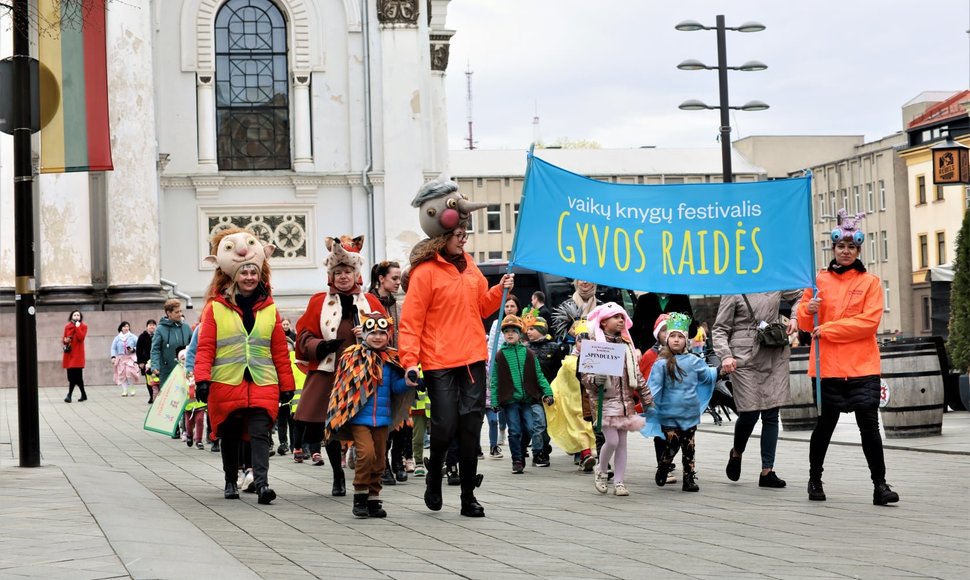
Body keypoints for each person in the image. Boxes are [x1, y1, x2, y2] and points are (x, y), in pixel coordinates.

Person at [399, 177, 509, 518]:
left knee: (470, 427)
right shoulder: (425, 273)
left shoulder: (470, 265)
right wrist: (410, 361)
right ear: (442, 237)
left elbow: (482, 308)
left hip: (473, 357)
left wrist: (500, 289)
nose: (464, 238)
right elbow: (412, 321)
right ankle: (434, 475)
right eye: (459, 234)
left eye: (465, 234)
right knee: (445, 425)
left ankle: (466, 496)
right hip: (439, 360)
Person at [796, 210, 899, 506]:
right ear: (833, 248)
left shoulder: (870, 282)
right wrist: (808, 310)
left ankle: (880, 485)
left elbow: (868, 323)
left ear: (858, 250)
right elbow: (805, 326)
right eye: (841, 247)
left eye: (851, 247)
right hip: (827, 367)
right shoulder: (816, 281)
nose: (845, 252)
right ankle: (815, 479)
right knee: (824, 425)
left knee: (869, 425)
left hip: (862, 366)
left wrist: (827, 328)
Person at [192, 227, 295, 505]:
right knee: (230, 434)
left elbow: (279, 351)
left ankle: (262, 485)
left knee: (261, 434)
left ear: (259, 276)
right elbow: (206, 347)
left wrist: (287, 385)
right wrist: (202, 379)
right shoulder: (215, 308)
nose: (249, 278)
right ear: (234, 276)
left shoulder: (270, 308)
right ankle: (229, 481)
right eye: (244, 273)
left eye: (253, 273)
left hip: (263, 381)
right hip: (227, 382)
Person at [295, 239, 386, 496]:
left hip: (363, 373)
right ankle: (338, 474)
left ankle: (367, 472)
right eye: (338, 272)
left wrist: (370, 334)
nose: (343, 276)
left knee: (364, 424)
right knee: (330, 425)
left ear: (355, 275)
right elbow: (303, 335)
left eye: (347, 272)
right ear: (331, 276)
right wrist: (319, 345)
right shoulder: (318, 302)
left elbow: (387, 332)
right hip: (330, 372)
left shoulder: (369, 301)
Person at [326, 311, 413, 518]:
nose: (377, 337)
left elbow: (394, 388)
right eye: (372, 332)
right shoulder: (352, 356)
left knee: (380, 460)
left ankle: (374, 498)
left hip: (382, 419)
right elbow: (343, 388)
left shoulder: (390, 360)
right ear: (364, 334)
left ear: (388, 336)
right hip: (359, 418)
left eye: (382, 333)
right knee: (366, 454)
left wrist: (407, 383)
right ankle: (360, 495)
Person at [712, 291, 802, 488]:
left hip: (772, 349)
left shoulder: (774, 281)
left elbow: (802, 296)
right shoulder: (733, 288)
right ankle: (736, 452)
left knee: (771, 412)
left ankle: (767, 471)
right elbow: (719, 329)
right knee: (750, 412)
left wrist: (795, 317)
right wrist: (725, 355)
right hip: (743, 357)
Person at [582, 303, 652, 497]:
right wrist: (596, 380)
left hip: (625, 402)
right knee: (611, 440)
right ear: (603, 322)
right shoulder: (595, 345)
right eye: (616, 317)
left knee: (622, 442)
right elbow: (586, 379)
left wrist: (647, 400)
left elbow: (637, 376)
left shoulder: (627, 345)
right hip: (605, 401)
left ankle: (619, 481)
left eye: (623, 317)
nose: (621, 320)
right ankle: (602, 470)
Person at [648, 313, 719, 493]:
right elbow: (654, 387)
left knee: (689, 447)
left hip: (689, 413)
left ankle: (689, 478)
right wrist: (650, 405)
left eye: (680, 336)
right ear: (667, 339)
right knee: (672, 444)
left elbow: (706, 376)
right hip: (669, 414)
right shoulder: (661, 363)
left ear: (686, 340)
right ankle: (664, 464)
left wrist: (720, 371)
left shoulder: (695, 361)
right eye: (673, 336)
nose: (677, 340)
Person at [490, 315, 554, 474]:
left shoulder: (529, 353)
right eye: (506, 331)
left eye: (513, 331)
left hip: (527, 398)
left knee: (530, 428)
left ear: (520, 334)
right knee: (514, 430)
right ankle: (517, 460)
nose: (510, 334)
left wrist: (547, 392)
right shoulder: (500, 354)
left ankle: (522, 448)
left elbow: (538, 374)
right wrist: (494, 400)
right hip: (510, 400)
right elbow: (495, 380)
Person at [369, 260, 411, 483]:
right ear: (381, 279)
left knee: (401, 414)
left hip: (397, 363)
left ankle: (397, 459)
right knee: (380, 416)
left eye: (398, 278)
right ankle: (382, 463)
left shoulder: (397, 305)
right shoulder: (368, 302)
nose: (398, 282)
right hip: (375, 366)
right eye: (394, 278)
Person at [544, 319, 597, 471]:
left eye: (588, 339)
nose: (584, 343)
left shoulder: (598, 359)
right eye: (581, 340)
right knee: (580, 428)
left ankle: (594, 455)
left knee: (592, 428)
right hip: (574, 402)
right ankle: (586, 454)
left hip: (591, 402)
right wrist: (551, 394)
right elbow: (559, 381)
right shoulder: (569, 361)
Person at [638, 314, 676, 485]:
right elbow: (643, 377)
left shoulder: (681, 354)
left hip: (677, 401)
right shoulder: (649, 355)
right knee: (661, 435)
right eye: (664, 331)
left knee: (677, 436)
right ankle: (663, 466)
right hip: (658, 401)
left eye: (672, 331)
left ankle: (668, 460)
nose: (668, 334)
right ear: (657, 334)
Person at [485, 294, 521, 457]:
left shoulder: (523, 322)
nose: (509, 309)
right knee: (501, 398)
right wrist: (493, 363)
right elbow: (492, 344)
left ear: (517, 308)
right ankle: (501, 430)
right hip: (500, 361)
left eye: (512, 306)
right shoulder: (496, 323)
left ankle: (508, 429)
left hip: (516, 362)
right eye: (507, 306)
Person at [524, 316, 561, 466]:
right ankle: (538, 453)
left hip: (550, 393)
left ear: (541, 330)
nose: (529, 332)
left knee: (547, 426)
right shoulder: (525, 348)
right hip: (532, 394)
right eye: (528, 329)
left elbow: (560, 371)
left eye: (532, 329)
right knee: (537, 424)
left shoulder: (554, 348)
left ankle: (544, 446)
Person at [151, 299, 193, 389]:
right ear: (168, 313)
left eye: (181, 311)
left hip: (184, 370)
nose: (180, 314)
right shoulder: (160, 329)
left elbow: (193, 347)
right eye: (177, 312)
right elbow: (155, 349)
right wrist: (155, 365)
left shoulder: (186, 327)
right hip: (167, 371)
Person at [550, 279, 601, 344]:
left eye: (588, 279)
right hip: (572, 348)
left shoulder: (601, 306)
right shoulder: (566, 305)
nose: (585, 282)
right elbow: (558, 331)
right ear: (576, 282)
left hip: (596, 348)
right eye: (581, 279)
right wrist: (571, 334)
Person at [62, 310, 88, 403]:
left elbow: (81, 338)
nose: (76, 316)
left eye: (78, 315)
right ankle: (84, 394)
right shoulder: (67, 327)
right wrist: (66, 340)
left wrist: (77, 327)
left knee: (75, 376)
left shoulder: (83, 326)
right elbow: (64, 339)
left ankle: (69, 395)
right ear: (71, 316)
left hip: (78, 354)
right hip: (69, 354)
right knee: (72, 377)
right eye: (75, 315)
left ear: (80, 317)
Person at [110, 321, 141, 397]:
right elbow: (113, 348)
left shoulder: (133, 337)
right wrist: (113, 357)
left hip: (131, 357)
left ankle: (132, 388)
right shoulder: (117, 338)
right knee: (122, 374)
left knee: (129, 373)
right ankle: (124, 390)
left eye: (127, 326)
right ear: (121, 328)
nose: (126, 328)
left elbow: (139, 345)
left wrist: (133, 349)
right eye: (124, 326)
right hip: (121, 358)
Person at [136, 319, 157, 403]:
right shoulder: (142, 336)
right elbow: (139, 350)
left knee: (157, 380)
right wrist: (140, 362)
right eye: (150, 325)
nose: (152, 326)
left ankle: (156, 396)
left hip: (156, 361)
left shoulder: (158, 335)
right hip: (146, 361)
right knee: (149, 380)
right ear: (147, 327)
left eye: (153, 325)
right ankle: (151, 396)